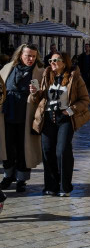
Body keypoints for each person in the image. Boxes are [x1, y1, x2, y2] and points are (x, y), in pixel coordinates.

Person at [32, 52, 90, 196]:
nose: (52, 62)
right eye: (51, 60)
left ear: (64, 62)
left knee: (62, 151)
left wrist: (71, 110)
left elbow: (85, 100)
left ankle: (65, 187)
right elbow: (39, 99)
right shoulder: (46, 75)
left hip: (65, 120)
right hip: (48, 118)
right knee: (47, 151)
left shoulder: (74, 77)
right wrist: (35, 92)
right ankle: (51, 186)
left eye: (56, 60)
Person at [0, 44, 45, 193]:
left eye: (33, 56)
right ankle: (8, 176)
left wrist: (35, 92)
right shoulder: (8, 68)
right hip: (7, 113)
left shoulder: (39, 72)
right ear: (20, 55)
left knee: (23, 148)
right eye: (28, 56)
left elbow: (42, 97)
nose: (31, 59)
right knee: (7, 146)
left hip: (26, 115)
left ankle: (21, 179)